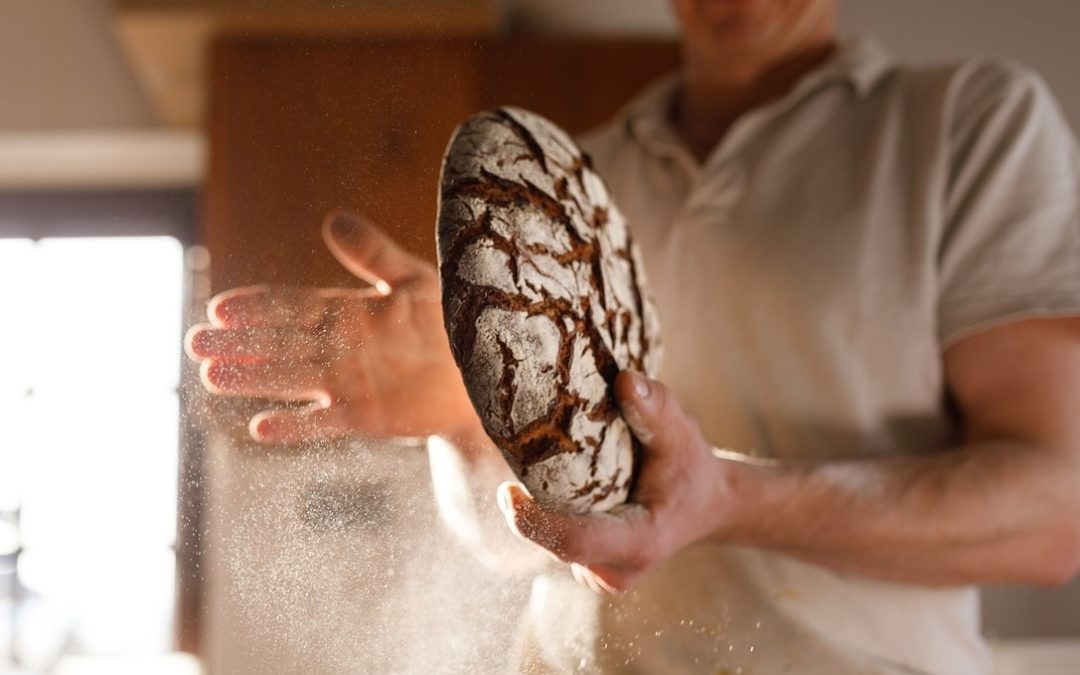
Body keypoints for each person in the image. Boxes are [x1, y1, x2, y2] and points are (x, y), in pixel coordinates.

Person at [186, 0, 1080, 672]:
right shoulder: (570, 180)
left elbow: (1055, 514)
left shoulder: (967, 126)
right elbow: (518, 542)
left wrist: (728, 498)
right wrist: (465, 416)